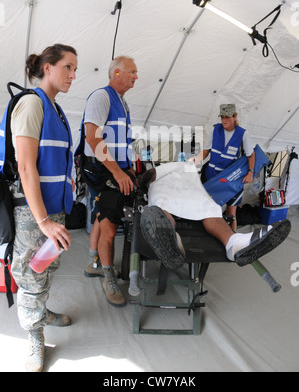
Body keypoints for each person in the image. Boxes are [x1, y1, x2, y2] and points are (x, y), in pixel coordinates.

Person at [10, 44, 78, 372]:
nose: (73, 75)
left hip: (53, 211)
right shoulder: (31, 104)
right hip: (33, 213)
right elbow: (26, 168)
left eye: (75, 69)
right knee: (31, 275)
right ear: (48, 67)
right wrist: (44, 221)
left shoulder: (56, 109)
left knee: (45, 267)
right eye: (68, 67)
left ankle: (42, 311)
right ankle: (35, 336)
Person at [140, 161, 290, 267]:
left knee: (206, 207)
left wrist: (141, 182)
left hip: (186, 192)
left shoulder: (179, 167)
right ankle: (171, 242)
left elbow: (149, 175)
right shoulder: (183, 167)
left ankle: (234, 244)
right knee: (167, 207)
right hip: (171, 190)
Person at [81, 56, 138, 307]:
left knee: (101, 216)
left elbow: (118, 139)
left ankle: (93, 262)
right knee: (110, 226)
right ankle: (107, 276)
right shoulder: (101, 97)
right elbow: (93, 139)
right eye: (132, 72)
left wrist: (130, 164)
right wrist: (117, 172)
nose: (137, 76)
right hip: (103, 171)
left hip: (115, 167)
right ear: (116, 73)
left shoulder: (122, 102)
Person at [200, 104, 255, 231]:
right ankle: (215, 238)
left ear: (235, 116)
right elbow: (206, 151)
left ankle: (233, 241)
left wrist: (250, 173)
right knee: (211, 210)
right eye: (222, 117)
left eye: (227, 117)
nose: (224, 120)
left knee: (231, 213)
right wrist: (194, 161)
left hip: (230, 178)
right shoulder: (215, 130)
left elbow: (250, 155)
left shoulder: (243, 134)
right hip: (212, 177)